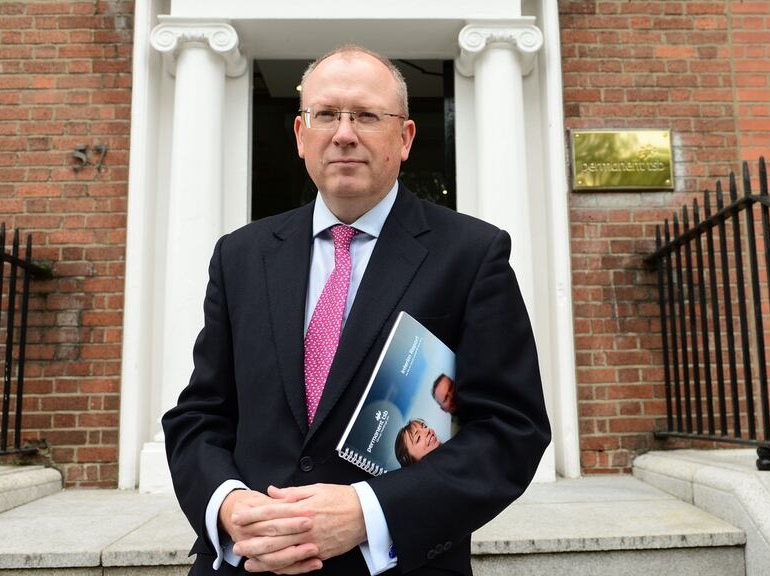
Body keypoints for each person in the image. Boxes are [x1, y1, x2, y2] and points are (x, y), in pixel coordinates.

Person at [162, 44, 550, 576]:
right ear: (301, 135)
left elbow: (511, 431)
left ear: (405, 137)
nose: (344, 133)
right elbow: (200, 415)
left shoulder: (471, 254)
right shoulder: (240, 255)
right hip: (249, 564)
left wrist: (369, 512)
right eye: (325, 114)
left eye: (367, 115)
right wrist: (228, 505)